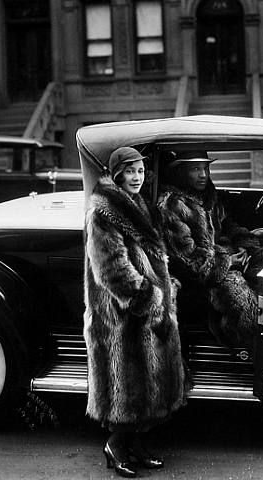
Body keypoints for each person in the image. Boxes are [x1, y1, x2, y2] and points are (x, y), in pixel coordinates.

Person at [83, 146, 188, 478]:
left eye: (140, 171)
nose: (137, 177)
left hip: (145, 310)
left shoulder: (139, 204)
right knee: (126, 388)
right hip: (121, 315)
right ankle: (115, 445)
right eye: (130, 171)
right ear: (117, 174)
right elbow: (112, 270)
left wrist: (165, 288)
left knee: (148, 386)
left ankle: (136, 445)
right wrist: (150, 299)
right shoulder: (103, 212)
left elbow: (152, 256)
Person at [156, 150, 263, 349]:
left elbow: (227, 225)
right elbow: (188, 259)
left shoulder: (208, 196)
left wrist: (245, 244)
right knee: (239, 295)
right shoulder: (172, 205)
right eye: (195, 169)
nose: (203, 175)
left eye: (206, 168)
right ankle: (245, 349)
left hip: (221, 258)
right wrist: (228, 261)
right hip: (198, 276)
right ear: (181, 172)